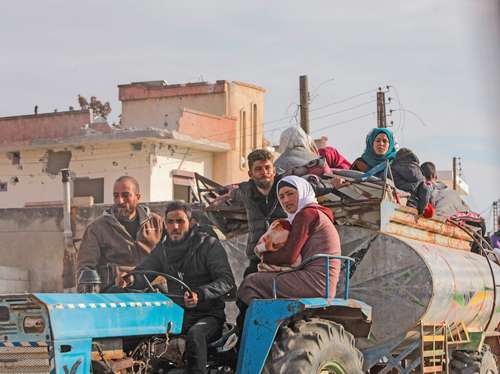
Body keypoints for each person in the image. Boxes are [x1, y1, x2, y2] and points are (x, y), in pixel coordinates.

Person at [130, 201, 235, 374]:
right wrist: (131, 279)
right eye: (170, 222)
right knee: (141, 332)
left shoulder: (208, 245)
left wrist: (200, 294)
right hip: (177, 314)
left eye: (180, 221)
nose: (175, 226)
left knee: (196, 335)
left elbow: (226, 280)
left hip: (208, 315)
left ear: (191, 222)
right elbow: (144, 272)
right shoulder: (163, 250)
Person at [236, 176, 341, 328]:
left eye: (290, 194)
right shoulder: (317, 212)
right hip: (318, 279)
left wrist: (263, 256)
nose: (285, 200)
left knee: (250, 282)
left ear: (302, 192)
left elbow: (288, 256)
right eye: (281, 197)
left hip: (314, 281)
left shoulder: (307, 214)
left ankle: (251, 332)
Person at [77, 176, 164, 290]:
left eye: (125, 195)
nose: (120, 201)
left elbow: (170, 255)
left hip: (153, 290)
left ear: (138, 197)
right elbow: (86, 268)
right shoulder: (97, 228)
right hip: (115, 292)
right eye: (116, 195)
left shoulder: (156, 223)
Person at [229, 149, 287, 277]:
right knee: (248, 289)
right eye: (258, 169)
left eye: (267, 167)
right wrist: (224, 196)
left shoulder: (285, 187)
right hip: (257, 257)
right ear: (250, 173)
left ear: (274, 170)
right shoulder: (245, 191)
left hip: (283, 256)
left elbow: (311, 186)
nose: (264, 172)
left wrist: (332, 185)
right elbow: (232, 193)